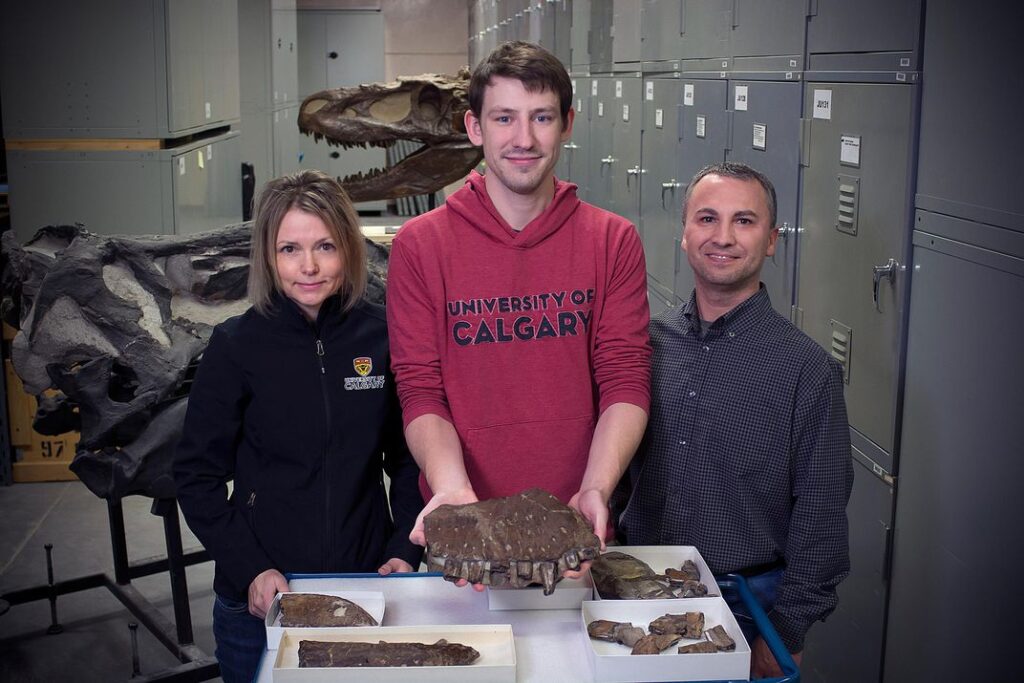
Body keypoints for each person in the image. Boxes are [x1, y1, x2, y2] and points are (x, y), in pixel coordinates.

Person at [386, 41, 651, 563]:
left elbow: (625, 378)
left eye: (542, 117)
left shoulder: (612, 240)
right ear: (474, 127)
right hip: (463, 528)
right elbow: (420, 389)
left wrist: (596, 488)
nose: (524, 139)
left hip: (579, 529)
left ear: (567, 123)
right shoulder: (420, 246)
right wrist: (453, 493)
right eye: (504, 118)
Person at [174, 170, 423, 683]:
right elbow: (195, 476)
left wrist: (405, 548)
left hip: (363, 584)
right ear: (268, 255)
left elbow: (408, 458)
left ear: (349, 250)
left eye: (325, 247)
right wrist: (251, 569)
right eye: (290, 249)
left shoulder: (382, 338)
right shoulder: (235, 347)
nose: (308, 267)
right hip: (263, 598)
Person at [617, 162, 854, 677]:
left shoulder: (806, 371)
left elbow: (821, 520)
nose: (722, 237)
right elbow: (614, 474)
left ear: (771, 241)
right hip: (633, 598)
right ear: (684, 235)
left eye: (744, 221)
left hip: (745, 614)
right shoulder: (646, 347)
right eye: (707, 218)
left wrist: (784, 634)